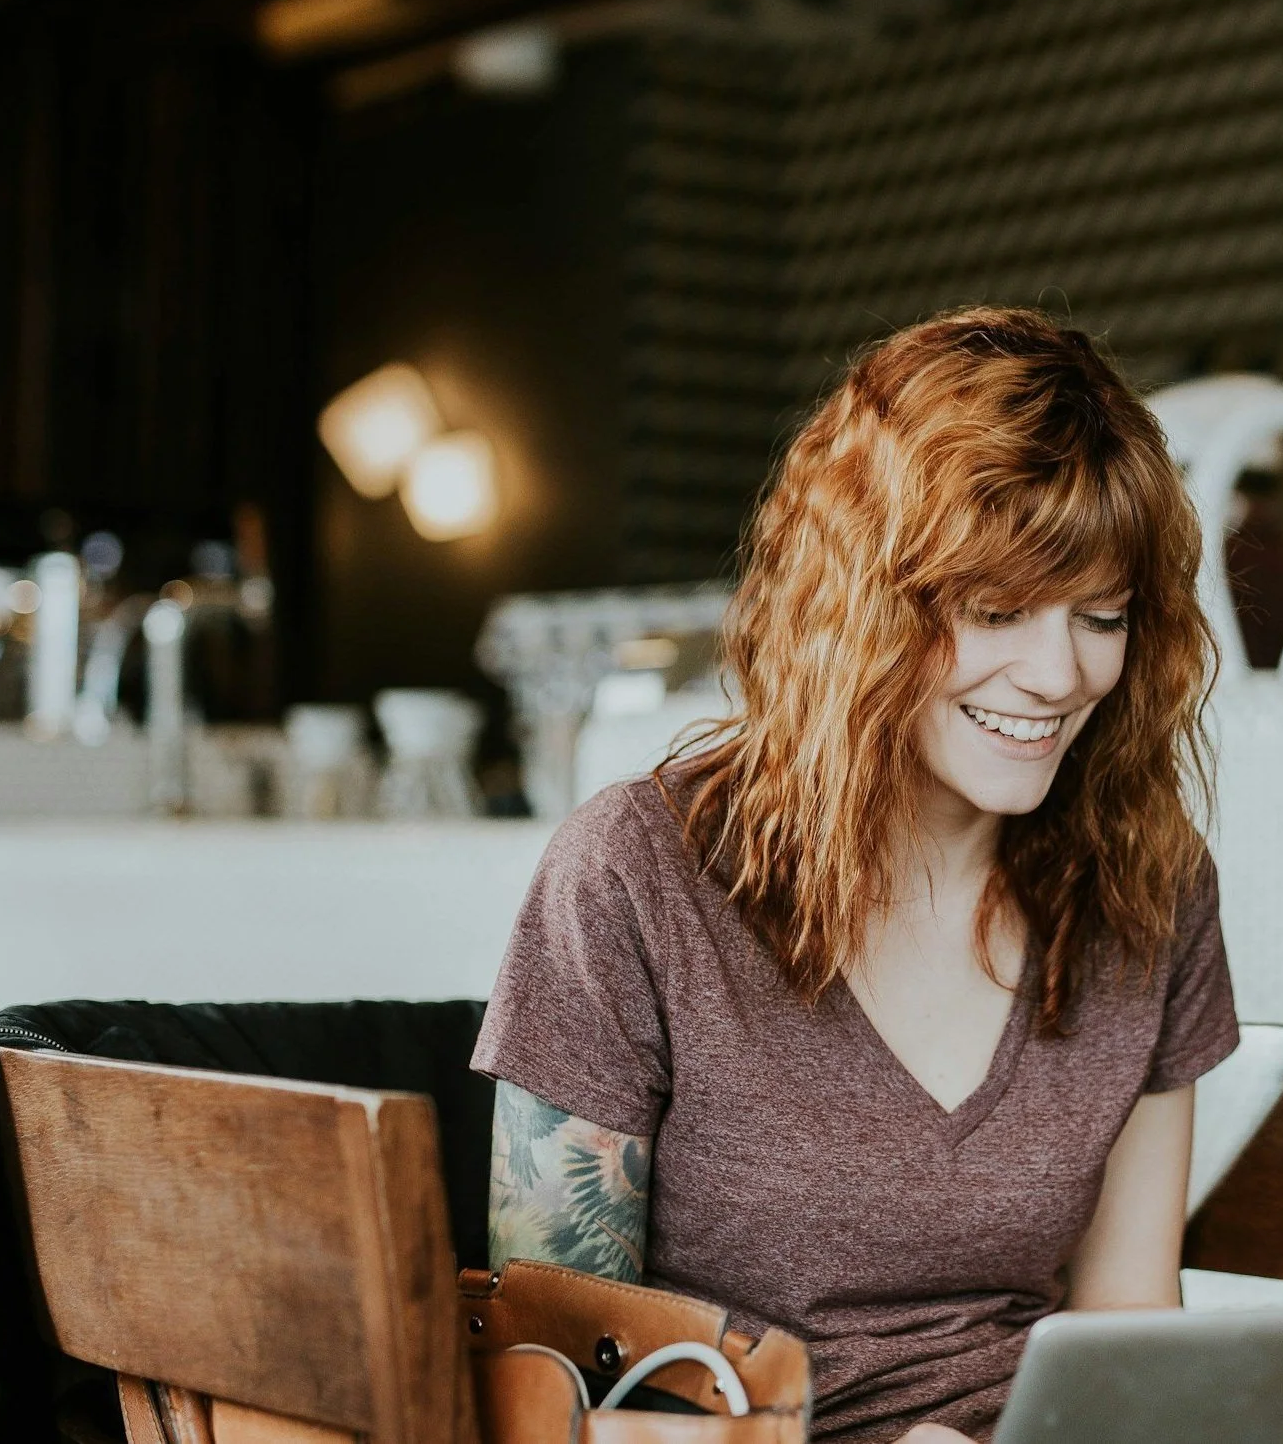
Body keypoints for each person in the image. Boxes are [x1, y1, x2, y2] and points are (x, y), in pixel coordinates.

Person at [472, 308, 1236, 1443]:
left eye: (1101, 616)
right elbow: (545, 1388)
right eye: (995, 610)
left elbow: (1129, 1325)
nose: (1059, 673)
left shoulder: (1148, 886)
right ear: (861, 604)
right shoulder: (636, 873)